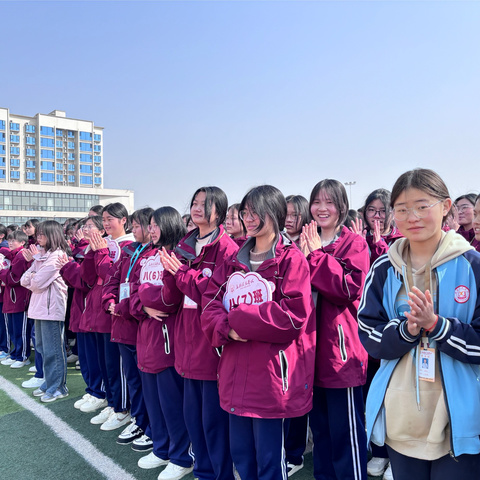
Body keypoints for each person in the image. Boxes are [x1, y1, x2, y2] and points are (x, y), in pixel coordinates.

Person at [358, 168, 480, 479]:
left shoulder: (472, 266)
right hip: (403, 419)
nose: (412, 216)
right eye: (401, 209)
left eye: (423, 206)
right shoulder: (384, 268)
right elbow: (368, 332)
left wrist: (438, 326)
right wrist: (407, 330)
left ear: (446, 206)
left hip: (460, 419)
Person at [201, 185, 316, 480]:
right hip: (234, 372)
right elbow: (210, 307)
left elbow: (293, 317)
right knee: (242, 456)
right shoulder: (232, 262)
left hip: (270, 377)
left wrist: (238, 319)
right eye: (245, 213)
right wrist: (228, 328)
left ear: (275, 214)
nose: (248, 219)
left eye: (256, 212)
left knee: (269, 460)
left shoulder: (291, 260)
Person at [158, 186, 237, 480]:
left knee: (214, 421)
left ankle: (221, 474)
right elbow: (173, 296)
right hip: (186, 343)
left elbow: (214, 294)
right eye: (195, 202)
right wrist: (170, 274)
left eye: (206, 203)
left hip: (211, 347)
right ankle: (203, 471)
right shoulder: (183, 247)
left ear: (220, 211)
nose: (198, 207)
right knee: (193, 419)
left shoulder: (228, 249)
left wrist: (181, 274)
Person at [300, 179, 369, 480]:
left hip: (342, 355)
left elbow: (347, 288)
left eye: (329, 202)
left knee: (346, 434)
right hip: (309, 354)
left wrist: (315, 256)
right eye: (317, 202)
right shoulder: (304, 243)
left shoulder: (354, 244)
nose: (322, 208)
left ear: (342, 206)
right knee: (322, 433)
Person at [133, 207, 193, 479]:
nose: (151, 229)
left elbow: (169, 300)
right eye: (150, 225)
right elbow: (133, 293)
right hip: (145, 337)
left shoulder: (180, 256)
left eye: (156, 225)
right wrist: (143, 305)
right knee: (154, 401)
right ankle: (161, 448)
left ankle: (181, 456)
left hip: (169, 341)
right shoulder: (146, 256)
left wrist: (146, 297)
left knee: (171, 404)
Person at [79, 204, 134, 432]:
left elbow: (111, 275)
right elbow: (88, 277)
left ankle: (121, 408)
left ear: (123, 220)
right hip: (99, 310)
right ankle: (112, 403)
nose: (106, 223)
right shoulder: (105, 243)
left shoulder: (128, 245)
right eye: (103, 219)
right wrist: (93, 251)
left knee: (115, 365)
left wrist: (100, 252)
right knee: (105, 363)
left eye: (110, 218)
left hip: (115, 312)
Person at [102, 207, 153, 447]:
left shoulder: (152, 254)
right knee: (132, 377)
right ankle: (139, 419)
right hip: (121, 323)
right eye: (136, 225)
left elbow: (142, 291)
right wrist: (109, 301)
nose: (138, 229)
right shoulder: (129, 251)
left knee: (144, 381)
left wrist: (122, 306)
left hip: (136, 325)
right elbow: (113, 279)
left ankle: (146, 423)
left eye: (141, 225)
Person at [20, 221, 69, 402]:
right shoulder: (42, 254)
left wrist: (33, 277)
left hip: (51, 308)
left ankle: (58, 386)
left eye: (42, 234)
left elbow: (37, 283)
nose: (38, 238)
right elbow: (24, 279)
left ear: (52, 235)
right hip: (39, 307)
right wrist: (33, 276)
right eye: (38, 234)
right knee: (41, 347)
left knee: (52, 349)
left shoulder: (57, 255)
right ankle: (49, 382)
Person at [0, 230, 33, 369]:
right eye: (10, 240)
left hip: (19, 299)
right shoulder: (14, 255)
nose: (11, 243)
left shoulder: (21, 256)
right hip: (11, 298)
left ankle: (23, 356)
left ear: (22, 242)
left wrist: (1, 271)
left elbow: (13, 278)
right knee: (14, 330)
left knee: (20, 330)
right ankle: (15, 354)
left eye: (14, 240)